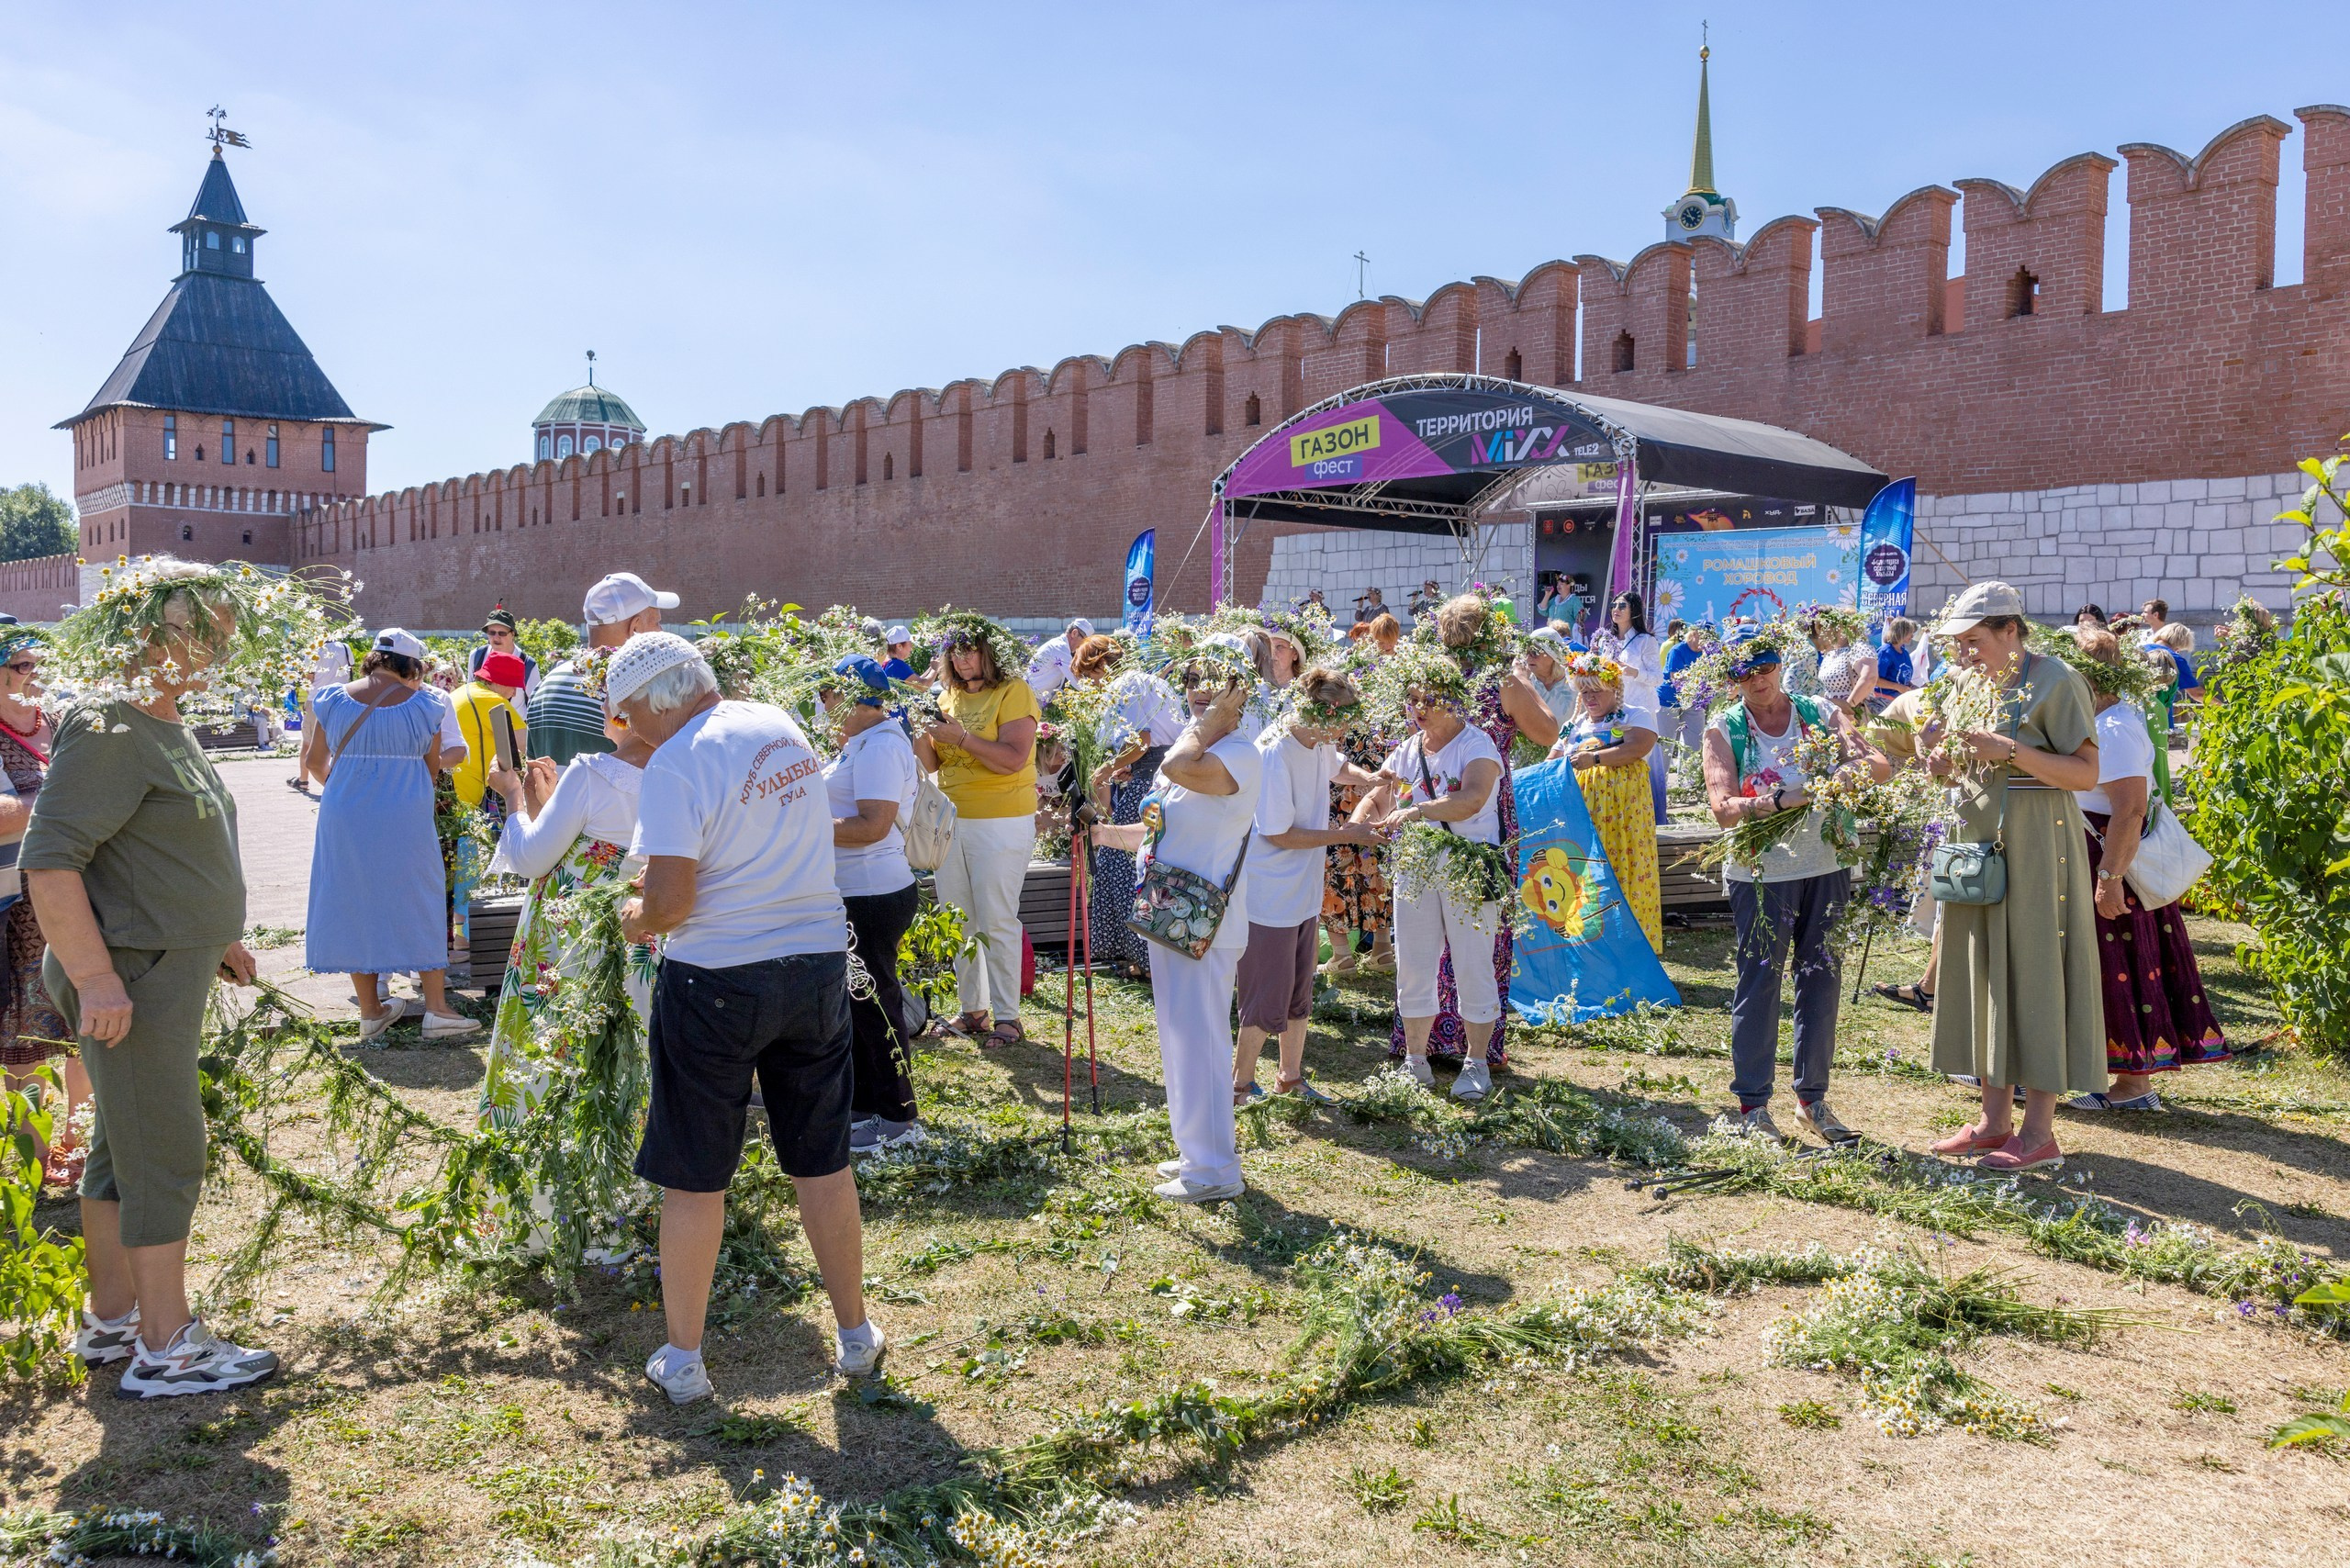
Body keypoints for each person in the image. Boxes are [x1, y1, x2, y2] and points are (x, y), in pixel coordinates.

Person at [22, 559, 274, 1396]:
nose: (214, 649)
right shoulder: (109, 724)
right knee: (164, 1152)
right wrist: (96, 979)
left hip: (165, 964)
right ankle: (167, 1348)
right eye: (195, 631)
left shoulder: (161, 719)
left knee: (120, 1152)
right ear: (141, 631)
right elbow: (51, 862)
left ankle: (113, 1322)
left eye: (220, 634)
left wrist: (220, 935)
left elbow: (167, 846)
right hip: (131, 976)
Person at [611, 633, 879, 1403]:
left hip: (719, 975)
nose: (628, 730)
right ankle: (856, 1334)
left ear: (657, 700)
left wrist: (634, 917)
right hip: (816, 961)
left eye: (629, 715)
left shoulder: (675, 761)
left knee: (694, 1175)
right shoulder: (776, 722)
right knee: (822, 1161)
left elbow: (669, 903)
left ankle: (685, 1360)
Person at [1922, 582, 2104, 1171]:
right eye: (1959, 643)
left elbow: (2084, 774)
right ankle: (1993, 1122)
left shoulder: (2056, 680)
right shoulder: (1966, 683)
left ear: (2010, 631)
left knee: (2035, 974)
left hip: (2036, 846)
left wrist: (2010, 750)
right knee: (1981, 974)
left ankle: (2039, 1133)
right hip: (1975, 842)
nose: (1965, 654)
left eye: (1975, 641)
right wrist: (1941, 763)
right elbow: (1959, 771)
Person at [1700, 628, 1890, 1142]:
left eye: (1764, 669)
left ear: (1780, 665)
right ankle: (1752, 1106)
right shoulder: (1725, 728)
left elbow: (1879, 764)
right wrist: (1779, 801)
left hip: (1825, 865)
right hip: (1761, 874)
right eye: (1745, 673)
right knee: (1760, 983)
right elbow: (1722, 810)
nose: (1757, 681)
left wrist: (1848, 774)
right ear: (1732, 678)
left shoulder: (1820, 714)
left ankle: (1813, 1099)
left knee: (1821, 981)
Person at [1089, 643, 1262, 1202]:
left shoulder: (1238, 753)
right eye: (1191, 679)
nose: (1195, 691)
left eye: (1211, 683)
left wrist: (1209, 722)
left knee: (1204, 1042)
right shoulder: (1200, 744)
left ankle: (1216, 1171)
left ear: (1238, 694)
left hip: (1205, 926)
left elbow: (1174, 765)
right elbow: (1161, 825)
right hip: (1169, 913)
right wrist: (1101, 833)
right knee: (1179, 1039)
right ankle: (1195, 1153)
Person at [2064, 629, 2228, 1112]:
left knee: (2123, 969)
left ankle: (2133, 1085)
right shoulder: (2103, 721)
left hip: (2115, 863)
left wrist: (2109, 879)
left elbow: (2130, 810)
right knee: (2107, 969)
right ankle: (2111, 1075)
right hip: (2106, 859)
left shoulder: (2113, 729)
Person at [306, 630, 481, 1043]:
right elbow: (432, 768)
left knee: (353, 897)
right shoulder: (429, 703)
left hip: (343, 813)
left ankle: (371, 1012)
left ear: (373, 659)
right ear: (411, 666)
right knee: (418, 895)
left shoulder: (330, 698)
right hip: (405, 812)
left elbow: (315, 763)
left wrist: (350, 789)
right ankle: (436, 1010)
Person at [1366, 654, 1507, 1100]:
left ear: (1453, 699)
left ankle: (1477, 1063)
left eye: (1428, 699)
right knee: (1414, 964)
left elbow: (1470, 800)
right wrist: (1359, 822)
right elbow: (1381, 794)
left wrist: (1416, 811)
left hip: (1466, 866)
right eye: (1411, 700)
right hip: (1415, 866)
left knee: (1472, 963)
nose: (1418, 709)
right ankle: (1415, 1062)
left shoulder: (1477, 745)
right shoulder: (1407, 750)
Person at [1235, 670, 1379, 1104]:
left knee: (1299, 990)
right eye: (1343, 722)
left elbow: (1337, 768)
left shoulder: (1317, 738)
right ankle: (1238, 1086)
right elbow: (1278, 834)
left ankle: (1290, 1078)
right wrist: (1346, 834)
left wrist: (1370, 777)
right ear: (1320, 711)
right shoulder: (1276, 752)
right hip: (1270, 895)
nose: (1346, 731)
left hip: (1300, 891)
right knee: (1265, 995)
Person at [912, 615, 1042, 1047]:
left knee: (997, 917)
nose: (962, 658)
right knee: (959, 917)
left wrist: (961, 737)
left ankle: (1008, 1017)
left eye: (970, 649)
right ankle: (973, 1011)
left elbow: (1012, 758)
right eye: (955, 650)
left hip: (1003, 820)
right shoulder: (946, 696)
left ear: (989, 652)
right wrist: (915, 729)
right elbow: (933, 764)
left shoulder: (1013, 691)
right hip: (951, 819)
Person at [821, 655, 926, 1153]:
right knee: (858, 1005)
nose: (822, 705)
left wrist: (803, 829)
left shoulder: (881, 747)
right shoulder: (860, 742)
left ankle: (899, 1116)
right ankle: (866, 1108)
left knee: (875, 1004)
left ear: (854, 696)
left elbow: (873, 826)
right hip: (855, 890)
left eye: (827, 694)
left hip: (872, 891)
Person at [0, 630, 79, 1181]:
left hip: (80, 890)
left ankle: (79, 1140)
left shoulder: (59, 722)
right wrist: (65, 795)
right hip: (17, 905)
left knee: (85, 1016)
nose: (35, 672)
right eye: (23, 663)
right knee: (25, 1028)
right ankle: (33, 1149)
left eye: (38, 662)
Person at [1083, 636, 1185, 980]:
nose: (1091, 685)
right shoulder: (1146, 681)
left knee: (1128, 864)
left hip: (1150, 780)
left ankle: (1141, 956)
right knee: (1131, 863)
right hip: (1151, 773)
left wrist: (1106, 770)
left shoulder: (1128, 684)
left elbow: (1141, 742)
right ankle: (1138, 955)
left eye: (1090, 676)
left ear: (1099, 666)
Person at [1552, 654, 1663, 953]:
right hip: (1582, 815)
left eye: (1596, 690)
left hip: (1624, 817)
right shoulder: (1573, 727)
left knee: (1623, 872)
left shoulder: (1634, 715)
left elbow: (1639, 746)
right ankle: (1589, 947)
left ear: (1614, 688)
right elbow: (1551, 761)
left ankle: (1629, 950)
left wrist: (1595, 758)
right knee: (1585, 876)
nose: (1589, 697)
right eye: (1584, 691)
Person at [530, 572, 677, 767]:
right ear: (635, 628)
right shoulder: (638, 692)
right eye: (657, 622)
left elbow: (533, 772)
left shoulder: (546, 684)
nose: (661, 631)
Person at [1592, 591, 1667, 823]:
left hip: (1641, 710)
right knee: (1614, 758)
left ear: (1633, 611)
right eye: (1614, 604)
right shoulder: (1605, 640)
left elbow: (1658, 678)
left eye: (1622, 605)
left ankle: (1650, 818)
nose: (1616, 608)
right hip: (1614, 710)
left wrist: (1633, 672)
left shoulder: (1646, 641)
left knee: (1642, 763)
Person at [448, 651, 531, 814]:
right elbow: (527, 745)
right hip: (467, 798)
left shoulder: (460, 692)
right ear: (501, 681)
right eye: (513, 685)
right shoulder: (491, 700)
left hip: (447, 791)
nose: (514, 693)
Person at [469, 609, 542, 700]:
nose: (496, 637)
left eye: (502, 633)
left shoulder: (528, 664)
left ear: (512, 634)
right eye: (492, 632)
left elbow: (536, 702)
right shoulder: (476, 656)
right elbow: (470, 691)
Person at [1024, 618, 1094, 701]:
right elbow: (1075, 678)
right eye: (1084, 642)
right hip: (1029, 698)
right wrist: (1095, 694)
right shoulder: (1060, 647)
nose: (1084, 647)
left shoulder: (1061, 646)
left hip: (1035, 697)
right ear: (1074, 633)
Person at [1521, 629, 1579, 729]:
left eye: (1535, 652)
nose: (1528, 657)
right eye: (1526, 652)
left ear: (1553, 656)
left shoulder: (1575, 682)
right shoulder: (1524, 682)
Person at [1875, 617, 1919, 701]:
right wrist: (1898, 687)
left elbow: (1903, 678)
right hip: (1883, 700)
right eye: (1910, 633)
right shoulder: (1885, 652)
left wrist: (1911, 686)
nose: (1912, 636)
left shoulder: (1905, 653)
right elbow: (1876, 680)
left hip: (1900, 699)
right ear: (1902, 633)